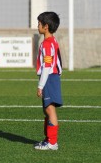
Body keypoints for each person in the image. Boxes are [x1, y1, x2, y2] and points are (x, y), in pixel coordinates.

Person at [34, 11, 63, 150]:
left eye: (39, 24)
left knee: (50, 109)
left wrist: (40, 85)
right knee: (47, 110)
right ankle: (49, 140)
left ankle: (52, 142)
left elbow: (47, 66)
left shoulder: (47, 44)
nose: (37, 26)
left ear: (46, 26)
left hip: (49, 77)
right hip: (52, 77)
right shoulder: (53, 41)